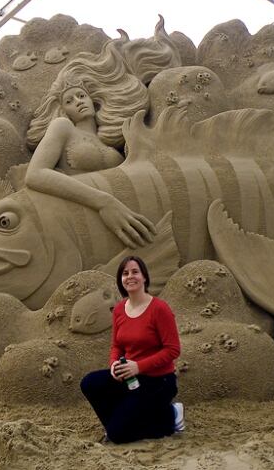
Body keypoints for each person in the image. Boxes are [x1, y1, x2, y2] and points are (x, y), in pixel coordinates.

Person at [25, 39, 156, 249]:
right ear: (64, 110)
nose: (77, 101)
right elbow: (35, 174)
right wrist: (103, 201)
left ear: (92, 100)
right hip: (85, 217)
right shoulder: (63, 127)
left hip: (124, 222)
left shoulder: (111, 143)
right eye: (69, 101)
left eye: (81, 95)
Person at [80, 255, 183, 443]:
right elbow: (116, 345)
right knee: (90, 383)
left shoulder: (160, 309)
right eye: (125, 273)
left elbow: (173, 350)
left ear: (144, 277)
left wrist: (139, 366)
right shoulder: (119, 309)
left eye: (135, 272)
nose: (130, 276)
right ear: (121, 280)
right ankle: (118, 424)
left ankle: (170, 415)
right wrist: (113, 366)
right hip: (131, 379)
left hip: (159, 381)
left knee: (119, 436)